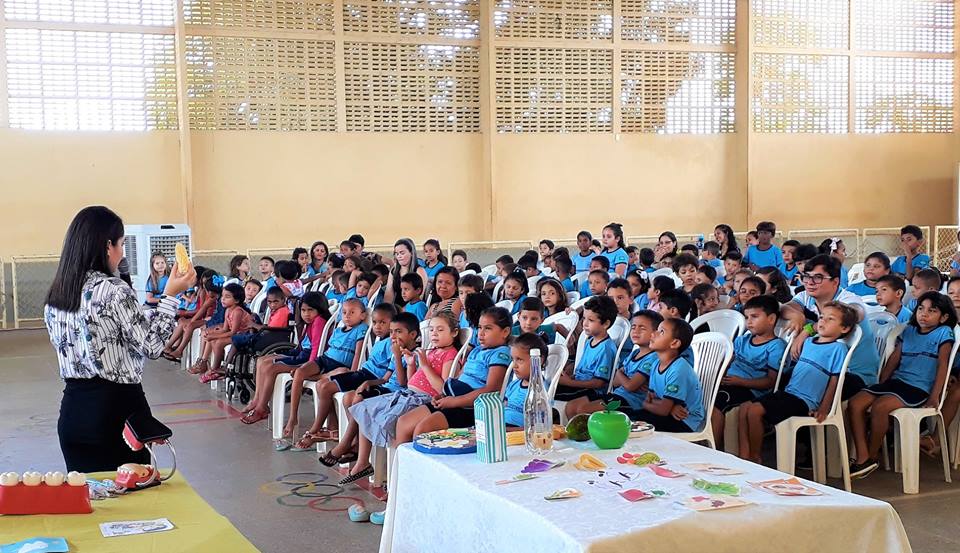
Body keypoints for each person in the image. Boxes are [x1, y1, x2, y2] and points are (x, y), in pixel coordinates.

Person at [44, 206, 195, 472]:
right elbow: (152, 345)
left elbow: (105, 330)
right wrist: (171, 296)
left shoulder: (57, 295)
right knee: (130, 502)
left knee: (91, 500)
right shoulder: (113, 289)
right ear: (107, 246)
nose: (122, 252)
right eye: (122, 244)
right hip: (116, 413)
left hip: (74, 413)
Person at [847, 292, 956, 478]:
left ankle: (871, 457)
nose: (924, 314)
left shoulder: (943, 333)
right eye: (921, 308)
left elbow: (943, 366)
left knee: (880, 407)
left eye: (932, 310)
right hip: (897, 382)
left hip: (918, 387)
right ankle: (863, 454)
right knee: (855, 403)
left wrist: (934, 396)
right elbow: (894, 360)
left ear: (944, 317)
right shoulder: (909, 330)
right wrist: (881, 383)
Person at [738, 302, 857, 463]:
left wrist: (824, 408)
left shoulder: (838, 349)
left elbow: (834, 380)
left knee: (754, 411)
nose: (822, 321)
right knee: (745, 407)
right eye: (821, 317)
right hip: (789, 393)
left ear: (844, 328)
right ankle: (744, 456)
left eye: (830, 319)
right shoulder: (808, 342)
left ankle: (755, 457)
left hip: (805, 400)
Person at [289, 303, 399, 452]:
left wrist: (371, 381)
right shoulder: (380, 340)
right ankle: (332, 429)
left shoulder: (391, 343)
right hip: (363, 373)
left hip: (369, 377)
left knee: (326, 387)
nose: (377, 326)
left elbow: (389, 372)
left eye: (383, 323)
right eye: (375, 322)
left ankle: (316, 428)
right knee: (321, 385)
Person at [394, 307, 512, 443]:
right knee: (403, 422)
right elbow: (459, 379)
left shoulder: (500, 354)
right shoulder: (476, 351)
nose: (481, 333)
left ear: (505, 331)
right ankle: (401, 464)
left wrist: (454, 401)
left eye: (488, 328)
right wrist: (444, 396)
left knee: (422, 431)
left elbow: (491, 390)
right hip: (455, 399)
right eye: (479, 328)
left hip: (472, 408)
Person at [781, 254, 880, 402]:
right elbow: (783, 308)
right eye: (806, 277)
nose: (810, 282)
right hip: (822, 368)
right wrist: (797, 316)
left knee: (800, 390)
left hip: (853, 374)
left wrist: (808, 329)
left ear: (835, 282)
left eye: (818, 277)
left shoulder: (848, 299)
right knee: (781, 378)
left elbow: (855, 313)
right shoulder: (806, 297)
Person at [239, 292, 330, 425]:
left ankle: (262, 407)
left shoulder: (318, 322)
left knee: (270, 368)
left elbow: (316, 348)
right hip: (300, 353)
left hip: (308, 359)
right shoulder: (309, 322)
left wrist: (309, 367)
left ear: (320, 309)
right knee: (261, 360)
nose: (306, 314)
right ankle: (257, 400)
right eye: (303, 310)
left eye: (310, 310)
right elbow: (301, 345)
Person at [711, 296, 787, 446]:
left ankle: (713, 448)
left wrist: (741, 382)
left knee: (718, 402)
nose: (749, 321)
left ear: (771, 319)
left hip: (752, 390)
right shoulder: (742, 340)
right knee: (701, 394)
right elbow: (728, 361)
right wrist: (719, 376)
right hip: (731, 383)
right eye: (746, 317)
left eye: (755, 317)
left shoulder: (776, 346)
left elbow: (771, 382)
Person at [577, 310, 662, 415]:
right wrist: (624, 377)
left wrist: (619, 372)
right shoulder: (634, 353)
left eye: (642, 328)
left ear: (655, 333)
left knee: (583, 410)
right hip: (618, 395)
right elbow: (615, 382)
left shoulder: (653, 358)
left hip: (632, 402)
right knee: (573, 406)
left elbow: (630, 386)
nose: (636, 331)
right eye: (633, 327)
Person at [632, 318, 704, 433]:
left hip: (684, 421)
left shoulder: (678, 370)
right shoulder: (656, 363)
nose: (653, 333)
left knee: (635, 424)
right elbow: (651, 399)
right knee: (629, 416)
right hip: (667, 414)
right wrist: (667, 408)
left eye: (661, 332)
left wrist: (652, 405)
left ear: (674, 343)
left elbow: (659, 408)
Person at [553, 296, 618, 418]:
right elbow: (581, 371)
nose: (585, 323)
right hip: (578, 383)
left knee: (551, 391)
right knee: (550, 383)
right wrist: (569, 377)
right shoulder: (589, 341)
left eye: (591, 320)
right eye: (584, 318)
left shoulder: (606, 348)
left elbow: (599, 383)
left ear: (606, 324)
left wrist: (570, 382)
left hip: (591, 391)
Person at [197, 283, 254, 383]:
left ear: (236, 300)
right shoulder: (228, 310)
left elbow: (233, 332)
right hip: (235, 334)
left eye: (227, 297)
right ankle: (216, 368)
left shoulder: (237, 311)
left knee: (218, 343)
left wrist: (214, 336)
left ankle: (214, 369)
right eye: (223, 296)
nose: (223, 299)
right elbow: (224, 329)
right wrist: (212, 335)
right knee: (214, 340)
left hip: (243, 336)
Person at [504, 333, 549, 428]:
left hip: (518, 430)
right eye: (513, 359)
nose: (514, 365)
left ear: (538, 360)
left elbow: (537, 423)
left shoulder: (540, 389)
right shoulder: (513, 385)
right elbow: (504, 406)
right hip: (501, 424)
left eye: (519, 360)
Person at [384, 238, 429, 307]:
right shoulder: (394, 271)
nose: (399, 256)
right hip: (397, 309)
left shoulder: (419, 271)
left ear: (411, 253)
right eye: (396, 254)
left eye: (402, 253)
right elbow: (388, 295)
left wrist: (404, 310)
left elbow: (419, 297)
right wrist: (387, 309)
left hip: (413, 309)